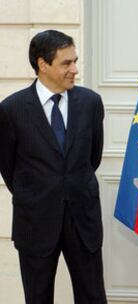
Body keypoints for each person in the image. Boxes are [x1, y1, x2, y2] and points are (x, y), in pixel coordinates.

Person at [0, 30, 107, 303]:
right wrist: (40, 192)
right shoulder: (11, 110)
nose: (75, 69)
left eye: (75, 61)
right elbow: (9, 168)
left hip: (83, 220)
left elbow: (92, 158)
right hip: (35, 222)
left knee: (93, 296)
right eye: (66, 63)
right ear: (42, 64)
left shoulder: (90, 103)